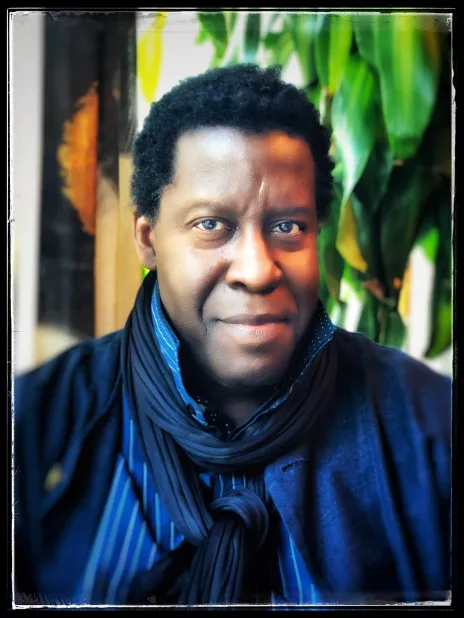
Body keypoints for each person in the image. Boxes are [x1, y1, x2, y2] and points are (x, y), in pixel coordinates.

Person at [13, 64, 451, 607]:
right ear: (148, 239)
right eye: (211, 225)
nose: (257, 270)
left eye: (288, 226)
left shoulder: (429, 428)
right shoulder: (40, 425)